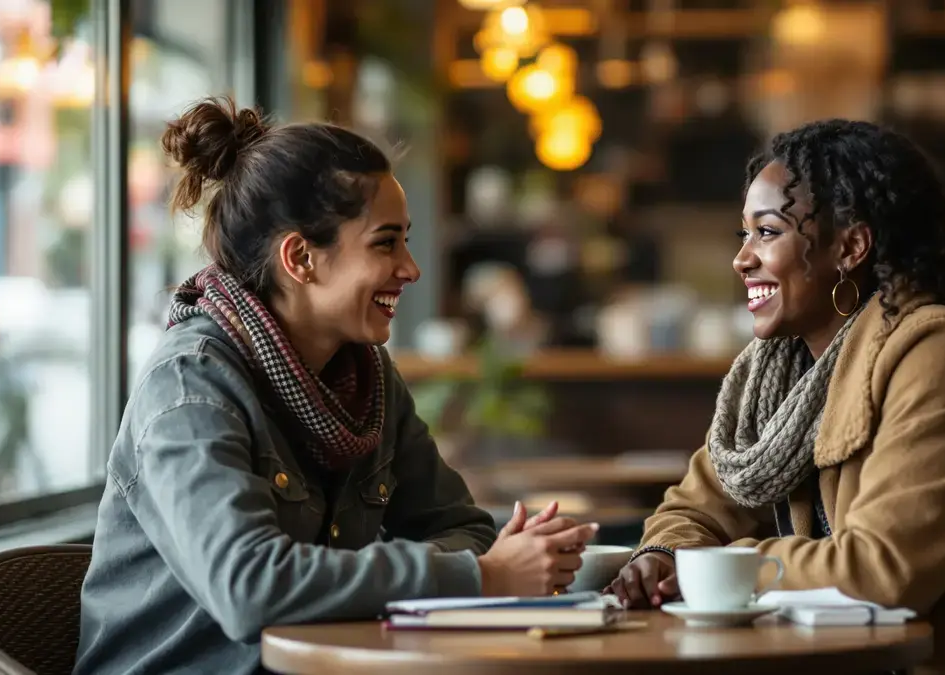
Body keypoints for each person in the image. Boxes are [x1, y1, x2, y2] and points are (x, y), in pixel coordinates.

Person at [76, 97, 598, 675]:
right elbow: (251, 586)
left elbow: (462, 527)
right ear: (301, 258)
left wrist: (476, 566)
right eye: (385, 243)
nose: (411, 268)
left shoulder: (367, 379)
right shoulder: (189, 386)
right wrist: (482, 576)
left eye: (405, 241)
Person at [606, 120, 945, 674]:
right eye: (743, 235)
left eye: (767, 233)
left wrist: (721, 569)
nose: (742, 259)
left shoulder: (933, 348)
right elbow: (694, 509)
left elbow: (883, 573)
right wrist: (661, 556)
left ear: (850, 247)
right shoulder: (779, 369)